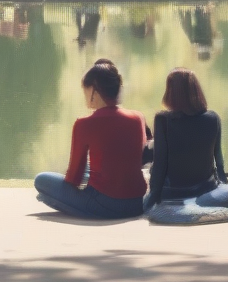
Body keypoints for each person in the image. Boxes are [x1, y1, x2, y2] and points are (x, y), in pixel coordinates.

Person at [34, 59, 148, 219]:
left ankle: (67, 204)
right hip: (137, 203)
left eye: (85, 89)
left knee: (42, 180)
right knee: (91, 167)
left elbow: (73, 178)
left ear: (94, 90)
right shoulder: (138, 118)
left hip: (102, 205)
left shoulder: (84, 124)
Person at [146, 68, 228, 215]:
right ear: (196, 91)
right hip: (205, 190)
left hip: (172, 193)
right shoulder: (213, 118)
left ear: (170, 92)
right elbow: (219, 160)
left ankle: (183, 206)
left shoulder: (163, 119)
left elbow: (160, 164)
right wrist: (223, 185)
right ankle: (201, 204)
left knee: (150, 173)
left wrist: (152, 199)